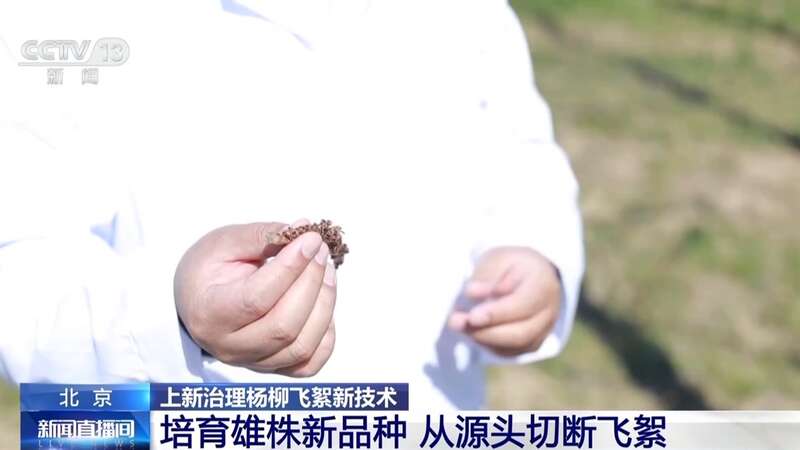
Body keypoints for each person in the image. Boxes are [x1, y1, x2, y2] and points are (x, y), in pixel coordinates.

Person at [0, 0, 584, 410]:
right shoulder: (60, 19)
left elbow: (520, 153)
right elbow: (20, 267)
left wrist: (533, 246)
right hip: (166, 420)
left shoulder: (470, 15)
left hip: (424, 407)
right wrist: (168, 316)